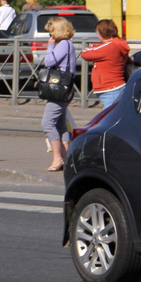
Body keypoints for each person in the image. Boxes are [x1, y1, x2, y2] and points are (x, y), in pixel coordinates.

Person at [42, 17, 76, 172]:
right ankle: (66, 157)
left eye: (52, 32)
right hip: (64, 88)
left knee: (48, 123)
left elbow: (49, 61)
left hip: (59, 90)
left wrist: (49, 47)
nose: (51, 36)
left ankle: (57, 158)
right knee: (60, 124)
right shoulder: (68, 44)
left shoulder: (63, 44)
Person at [80, 19, 130, 109]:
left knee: (109, 119)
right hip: (113, 88)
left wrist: (94, 46)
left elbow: (85, 53)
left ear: (101, 32)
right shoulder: (116, 44)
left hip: (110, 89)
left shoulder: (110, 46)